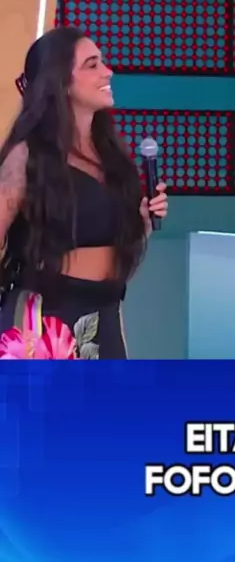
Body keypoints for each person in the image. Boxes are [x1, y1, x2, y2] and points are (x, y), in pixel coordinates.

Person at [0, 27, 168, 359]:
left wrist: (143, 221)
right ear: (61, 81)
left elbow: (117, 245)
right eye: (92, 65)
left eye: (102, 62)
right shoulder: (29, 156)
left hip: (105, 312)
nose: (108, 71)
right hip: (43, 322)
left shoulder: (112, 156)